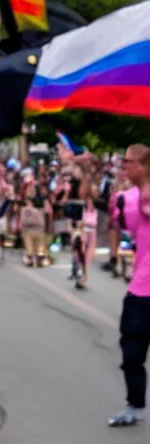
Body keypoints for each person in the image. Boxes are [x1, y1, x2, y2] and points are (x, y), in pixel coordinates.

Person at [108, 144, 150, 427]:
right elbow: (126, 222)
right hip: (141, 289)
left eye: (130, 163)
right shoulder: (131, 197)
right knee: (131, 351)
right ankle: (133, 406)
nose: (125, 167)